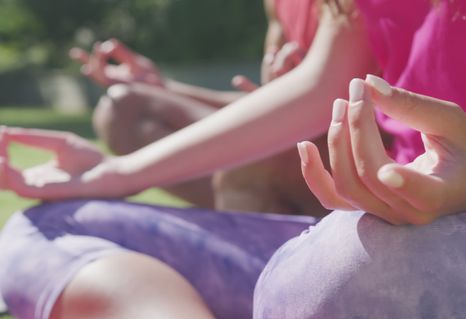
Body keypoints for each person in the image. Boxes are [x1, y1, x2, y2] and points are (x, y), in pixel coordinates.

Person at [1, 0, 466, 319]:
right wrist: (118, 173)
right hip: (385, 242)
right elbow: (320, 84)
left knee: (354, 268)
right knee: (39, 234)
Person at [70, 0, 324, 216]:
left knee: (247, 158)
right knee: (122, 111)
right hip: (292, 133)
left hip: (343, 148)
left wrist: (121, 174)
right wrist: (163, 87)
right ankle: (252, 216)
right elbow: (273, 102)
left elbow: (321, 97)